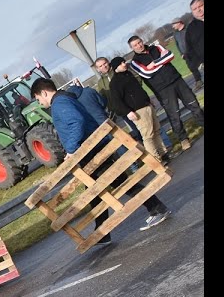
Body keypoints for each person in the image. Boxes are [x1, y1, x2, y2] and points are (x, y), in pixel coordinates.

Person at [31, 77, 171, 241]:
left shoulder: (59, 104)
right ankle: (102, 232)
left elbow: (77, 121)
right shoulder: (65, 99)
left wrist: (70, 149)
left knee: (115, 185)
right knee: (96, 191)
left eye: (38, 99)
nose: (40, 103)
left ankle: (156, 209)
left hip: (91, 151)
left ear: (44, 92)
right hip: (92, 149)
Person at [127, 36, 203, 154]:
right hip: (162, 89)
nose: (139, 46)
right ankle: (183, 139)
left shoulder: (156, 47)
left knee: (194, 104)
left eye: (139, 42)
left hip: (177, 80)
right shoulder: (135, 62)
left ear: (142, 41)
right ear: (132, 48)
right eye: (135, 45)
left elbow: (170, 56)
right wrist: (162, 61)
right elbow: (147, 73)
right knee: (174, 115)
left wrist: (154, 64)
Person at [106, 56, 167, 162]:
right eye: (121, 63)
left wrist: (148, 100)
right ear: (116, 67)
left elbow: (139, 89)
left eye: (124, 62)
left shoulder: (129, 74)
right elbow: (117, 101)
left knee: (156, 130)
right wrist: (128, 112)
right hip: (137, 111)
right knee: (148, 135)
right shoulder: (115, 83)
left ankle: (163, 153)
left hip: (146, 105)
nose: (124, 64)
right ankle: (155, 159)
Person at [171, 18, 202, 88]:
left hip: (194, 51)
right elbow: (177, 45)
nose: (173, 26)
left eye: (174, 24)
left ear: (179, 22)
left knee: (201, 64)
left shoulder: (188, 29)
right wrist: (181, 53)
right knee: (192, 68)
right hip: (185, 55)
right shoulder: (175, 34)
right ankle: (198, 81)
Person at [185, 0, 204, 83]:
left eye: (200, 6)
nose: (199, 10)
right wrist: (199, 63)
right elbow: (190, 50)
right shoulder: (191, 29)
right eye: (195, 9)